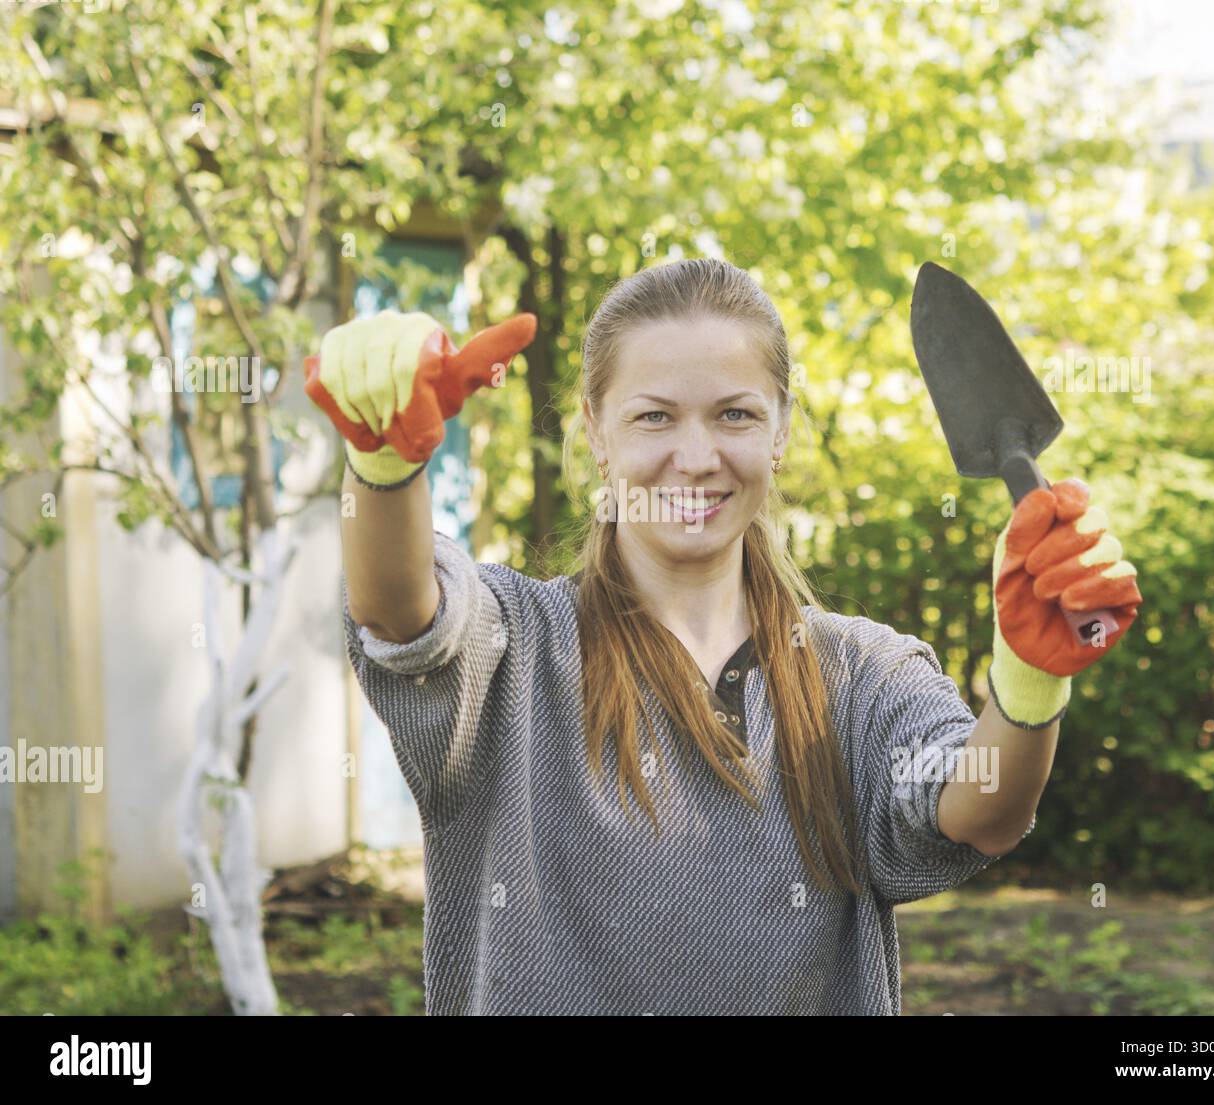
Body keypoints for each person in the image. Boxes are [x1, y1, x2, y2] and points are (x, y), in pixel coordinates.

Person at [307, 257, 1142, 1016]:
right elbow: (397, 608)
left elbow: (980, 809)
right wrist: (384, 466)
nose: (697, 455)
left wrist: (1029, 678)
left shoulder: (860, 672)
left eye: (735, 414)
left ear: (779, 431)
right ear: (597, 432)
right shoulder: (513, 649)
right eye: (655, 417)